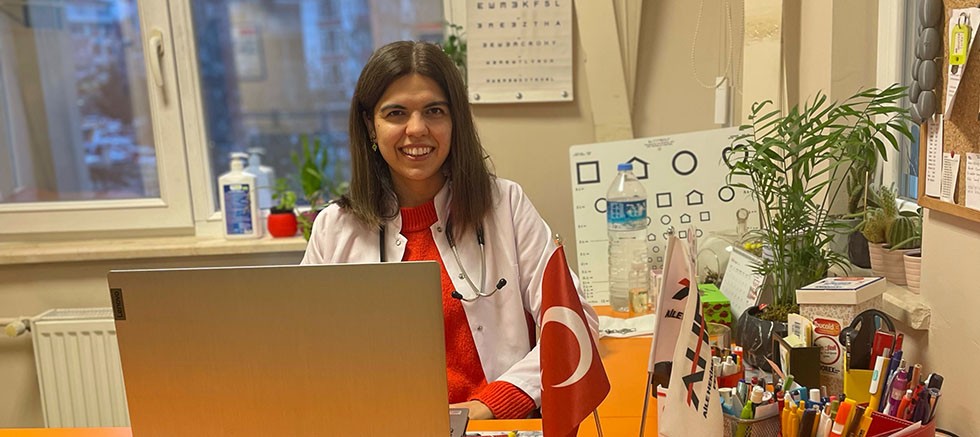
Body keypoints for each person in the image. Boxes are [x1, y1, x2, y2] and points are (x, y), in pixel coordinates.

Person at [300, 40, 598, 420]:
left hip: (492, 425)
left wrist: (493, 403)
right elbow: (305, 352)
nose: (417, 129)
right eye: (395, 113)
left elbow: (574, 322)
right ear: (370, 126)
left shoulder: (505, 205)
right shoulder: (335, 228)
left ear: (455, 120)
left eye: (434, 111)